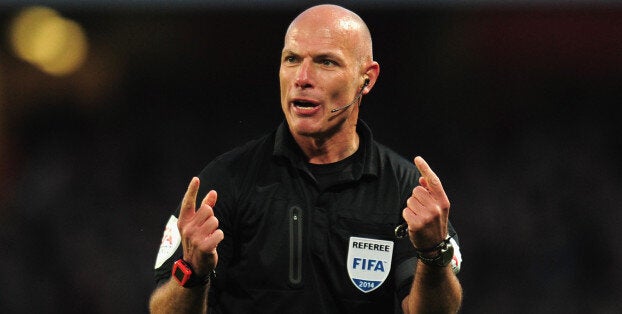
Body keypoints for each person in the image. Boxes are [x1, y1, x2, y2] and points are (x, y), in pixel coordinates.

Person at [149, 4, 463, 313]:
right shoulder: (225, 182)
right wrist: (192, 273)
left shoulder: (405, 189)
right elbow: (162, 309)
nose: (302, 77)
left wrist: (432, 254)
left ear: (366, 79)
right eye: (292, 59)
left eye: (326, 62)